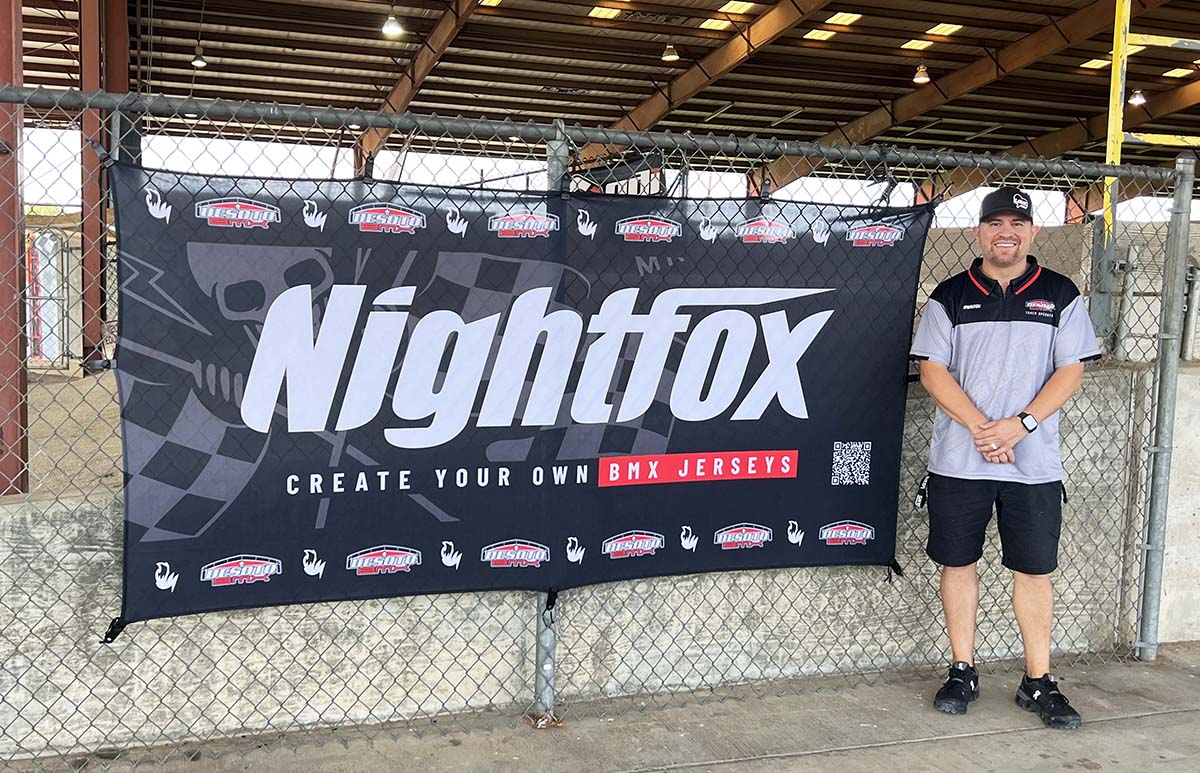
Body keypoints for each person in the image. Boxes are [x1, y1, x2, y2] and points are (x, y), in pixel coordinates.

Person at [909, 187, 1101, 730]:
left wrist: (1020, 426)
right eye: (995, 223)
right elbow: (932, 371)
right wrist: (982, 429)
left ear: (1033, 232)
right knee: (958, 563)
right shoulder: (949, 296)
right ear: (979, 232)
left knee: (1034, 570)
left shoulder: (1061, 293)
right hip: (959, 460)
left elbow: (1071, 371)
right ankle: (962, 669)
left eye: (1017, 223)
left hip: (1033, 463)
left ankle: (1038, 680)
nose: (1006, 233)